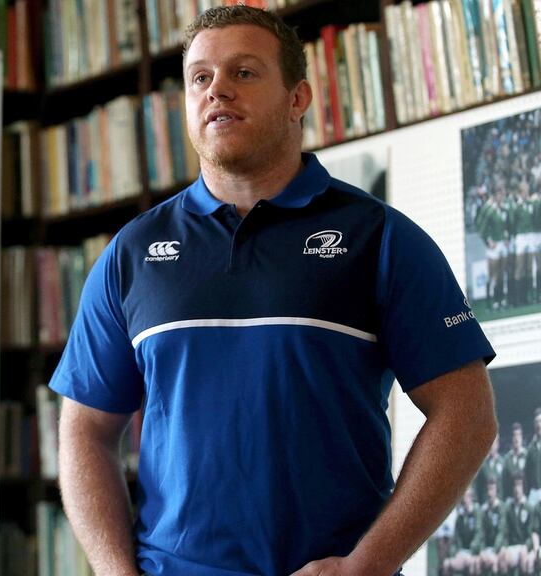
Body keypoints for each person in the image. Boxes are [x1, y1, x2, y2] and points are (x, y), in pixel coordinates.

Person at [50, 6, 497, 576]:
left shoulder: (380, 238)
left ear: (298, 98)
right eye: (201, 78)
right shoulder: (132, 254)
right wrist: (117, 571)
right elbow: (85, 428)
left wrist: (367, 565)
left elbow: (466, 413)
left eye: (244, 72)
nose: (217, 91)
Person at [501, 473, 537, 576]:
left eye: (519, 485)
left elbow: (531, 533)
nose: (517, 489)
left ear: (523, 487)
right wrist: (504, 546)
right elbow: (505, 531)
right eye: (514, 485)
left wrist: (527, 546)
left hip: (525, 546)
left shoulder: (529, 508)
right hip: (512, 547)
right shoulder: (508, 508)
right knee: (502, 558)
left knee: (523, 558)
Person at [442, 487, 482, 576]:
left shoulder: (477, 514)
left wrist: (471, 551)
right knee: (446, 564)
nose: (465, 499)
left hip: (473, 553)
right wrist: (454, 552)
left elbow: (479, 535)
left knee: (472, 564)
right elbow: (456, 538)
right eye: (463, 496)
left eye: (467, 496)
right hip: (461, 552)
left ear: (471, 497)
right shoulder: (460, 517)